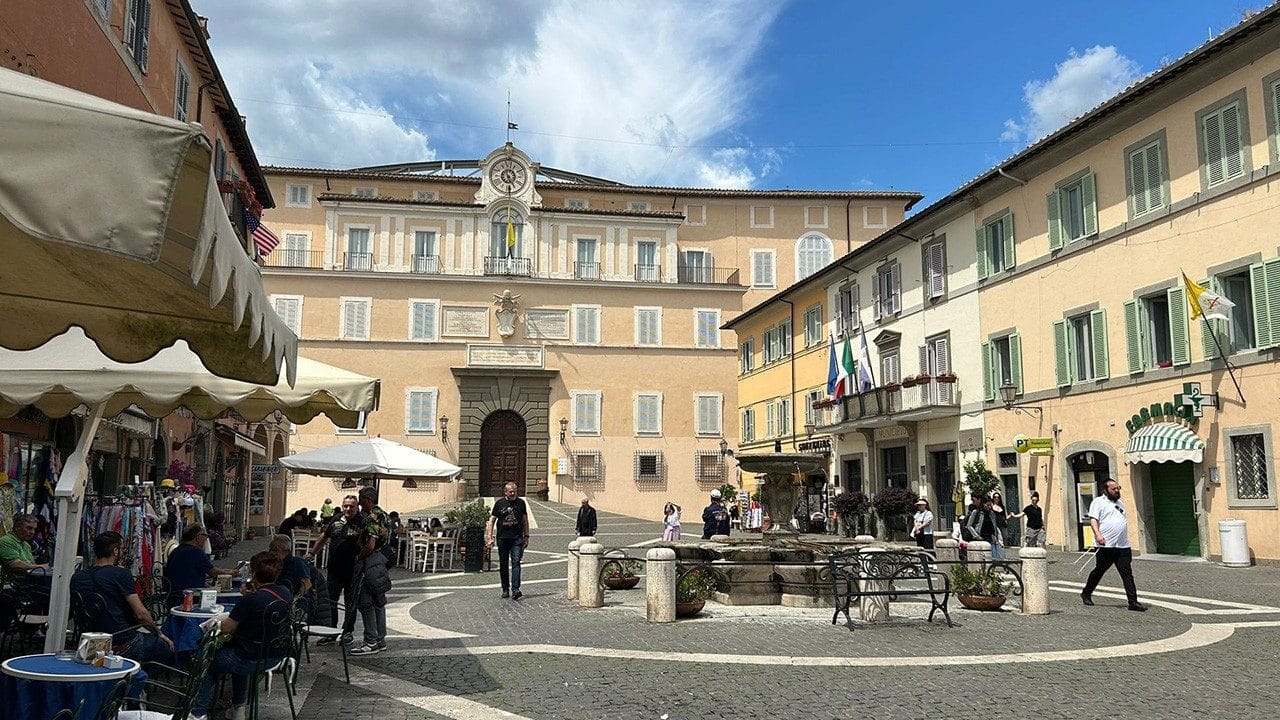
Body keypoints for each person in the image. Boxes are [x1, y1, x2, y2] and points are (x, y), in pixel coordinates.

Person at [191, 551, 294, 720]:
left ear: (253, 573)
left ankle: (197, 712)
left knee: (207, 658)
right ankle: (238, 708)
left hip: (248, 659)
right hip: (275, 656)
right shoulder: (285, 592)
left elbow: (226, 628)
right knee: (239, 653)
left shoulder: (251, 600)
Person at [70, 531, 173, 663]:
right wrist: (159, 633)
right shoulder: (120, 574)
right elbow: (141, 614)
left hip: (88, 644)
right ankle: (138, 679)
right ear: (116, 551)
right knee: (166, 648)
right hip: (122, 644)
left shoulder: (77, 577)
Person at [1081, 479, 1146, 611]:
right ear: (1106, 490)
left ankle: (1133, 602)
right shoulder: (1098, 502)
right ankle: (1086, 593)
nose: (1117, 491)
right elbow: (1093, 519)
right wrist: (1098, 535)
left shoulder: (1120, 503)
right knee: (1099, 571)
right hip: (1106, 545)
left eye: (1118, 488)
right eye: (1114, 489)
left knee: (1127, 573)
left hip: (1122, 545)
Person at [305, 495, 362, 642]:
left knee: (351, 603)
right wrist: (312, 553)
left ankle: (347, 632)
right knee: (331, 601)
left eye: (351, 506)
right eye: (345, 506)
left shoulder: (362, 521)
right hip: (334, 569)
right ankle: (331, 632)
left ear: (357, 507)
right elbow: (324, 537)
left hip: (353, 570)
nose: (348, 509)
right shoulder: (336, 519)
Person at [349, 486, 391, 656]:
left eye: (360, 499)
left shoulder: (373, 516)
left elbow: (371, 543)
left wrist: (359, 557)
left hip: (370, 561)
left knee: (366, 602)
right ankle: (380, 639)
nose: (359, 503)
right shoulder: (384, 515)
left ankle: (370, 641)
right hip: (380, 560)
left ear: (367, 500)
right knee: (379, 600)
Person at [164, 525, 235, 605]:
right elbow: (213, 572)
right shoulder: (196, 552)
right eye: (205, 535)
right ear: (198, 537)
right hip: (189, 598)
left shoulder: (176, 551)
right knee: (223, 602)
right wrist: (229, 573)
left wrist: (223, 571)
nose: (206, 539)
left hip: (172, 596)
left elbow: (192, 571)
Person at [486, 481, 529, 600]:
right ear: (505, 492)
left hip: (517, 538)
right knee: (503, 564)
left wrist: (527, 536)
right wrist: (489, 537)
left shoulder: (521, 503)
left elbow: (525, 520)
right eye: (510, 491)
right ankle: (505, 588)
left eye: (515, 491)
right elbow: (492, 520)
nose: (513, 493)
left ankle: (516, 589)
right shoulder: (499, 504)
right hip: (503, 538)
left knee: (516, 562)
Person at [0, 514, 48, 579]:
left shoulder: (26, 545)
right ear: (17, 527)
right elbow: (15, 565)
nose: (32, 532)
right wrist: (41, 566)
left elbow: (30, 564)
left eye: (34, 529)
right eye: (29, 528)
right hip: (13, 584)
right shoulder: (7, 541)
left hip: (27, 582)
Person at [268, 534, 312, 598]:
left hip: (291, 599)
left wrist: (295, 601)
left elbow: (306, 584)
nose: (269, 552)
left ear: (277, 548)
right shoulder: (275, 563)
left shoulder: (297, 562)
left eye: (271, 549)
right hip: (276, 596)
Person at [990, 491, 1010, 559]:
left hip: (1003, 525)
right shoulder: (992, 506)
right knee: (998, 540)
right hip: (996, 525)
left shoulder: (1002, 507)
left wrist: (1011, 515)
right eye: (995, 497)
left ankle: (1004, 555)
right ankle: (998, 556)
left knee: (1005, 539)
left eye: (998, 497)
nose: (996, 498)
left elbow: (1006, 517)